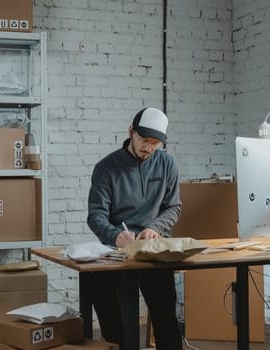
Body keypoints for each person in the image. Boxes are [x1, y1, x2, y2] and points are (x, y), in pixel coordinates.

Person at [86, 107, 182, 350]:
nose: (148, 148)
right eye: (143, 140)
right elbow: (96, 215)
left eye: (155, 143)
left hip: (153, 248)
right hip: (118, 251)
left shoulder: (167, 163)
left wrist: (155, 227)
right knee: (101, 293)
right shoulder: (106, 168)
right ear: (131, 132)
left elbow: (173, 207)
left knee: (165, 314)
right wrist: (115, 235)